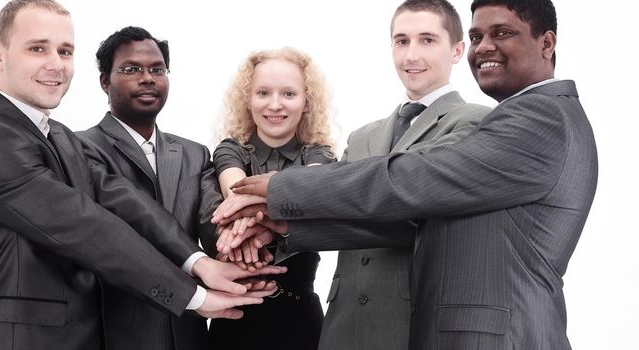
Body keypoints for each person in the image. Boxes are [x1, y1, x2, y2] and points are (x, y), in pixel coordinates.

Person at [214, 0, 598, 349]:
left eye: (502, 33)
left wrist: (282, 188)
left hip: (496, 334)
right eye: (478, 35)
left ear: (547, 44)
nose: (484, 47)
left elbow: (415, 178)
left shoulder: (537, 118)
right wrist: (283, 227)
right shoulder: (524, 117)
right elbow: (419, 221)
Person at [0, 1, 283, 349]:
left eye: (65, 51)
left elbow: (123, 200)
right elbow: (87, 226)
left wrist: (199, 264)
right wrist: (193, 296)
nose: (55, 64)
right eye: (36, 48)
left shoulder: (56, 134)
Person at [319, 1, 490, 349]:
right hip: (342, 324)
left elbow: (412, 213)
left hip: (412, 323)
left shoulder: (474, 122)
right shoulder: (362, 136)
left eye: (427, 40)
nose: (411, 55)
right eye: (401, 41)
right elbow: (327, 211)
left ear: (457, 50)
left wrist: (326, 192)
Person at [78, 26, 221, 350]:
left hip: (190, 331)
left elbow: (210, 225)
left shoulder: (194, 153)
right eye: (131, 69)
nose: (147, 78)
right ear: (105, 81)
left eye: (157, 69)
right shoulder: (80, 148)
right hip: (115, 333)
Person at [207, 47, 336, 350]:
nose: (274, 104)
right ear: (247, 100)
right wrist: (281, 208)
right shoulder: (230, 150)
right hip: (235, 317)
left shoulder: (320, 154)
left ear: (306, 103)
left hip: (300, 317)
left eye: (288, 94)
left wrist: (254, 219)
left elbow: (309, 191)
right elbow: (236, 197)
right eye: (263, 93)